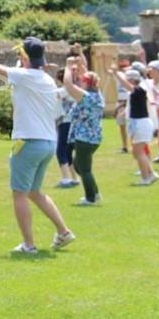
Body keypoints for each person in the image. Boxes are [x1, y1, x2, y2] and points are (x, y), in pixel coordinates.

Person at [0, 38, 77, 254]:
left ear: (25, 57)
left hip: (28, 142)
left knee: (19, 194)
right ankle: (64, 232)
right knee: (34, 192)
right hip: (48, 142)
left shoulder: (24, 76)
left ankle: (29, 244)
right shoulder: (46, 79)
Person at [62, 56, 104, 206]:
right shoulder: (97, 94)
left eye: (82, 80)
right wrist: (80, 63)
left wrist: (67, 67)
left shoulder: (85, 96)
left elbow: (67, 84)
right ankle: (95, 192)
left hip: (84, 138)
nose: (80, 81)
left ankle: (90, 198)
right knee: (78, 164)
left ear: (87, 83)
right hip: (94, 137)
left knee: (85, 169)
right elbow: (88, 75)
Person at [109, 65, 157, 185]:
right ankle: (150, 173)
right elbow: (132, 106)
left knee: (139, 152)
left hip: (141, 123)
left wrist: (116, 74)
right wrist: (123, 114)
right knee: (137, 152)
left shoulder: (139, 89)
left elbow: (128, 86)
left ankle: (146, 177)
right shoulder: (136, 92)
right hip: (139, 123)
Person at [54, 69, 80, 188]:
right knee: (68, 151)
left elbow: (51, 94)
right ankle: (74, 178)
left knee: (61, 151)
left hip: (65, 122)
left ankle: (66, 178)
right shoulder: (75, 89)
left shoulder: (63, 90)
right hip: (72, 122)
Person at [114, 60, 132, 153]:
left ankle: (134, 145)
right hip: (120, 101)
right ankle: (125, 146)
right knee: (122, 126)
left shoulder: (131, 77)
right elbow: (107, 71)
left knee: (131, 125)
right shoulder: (118, 75)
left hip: (128, 102)